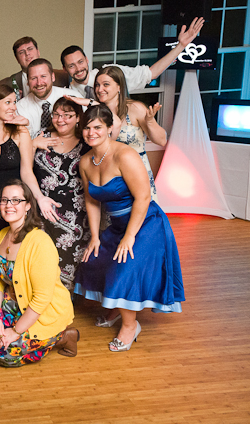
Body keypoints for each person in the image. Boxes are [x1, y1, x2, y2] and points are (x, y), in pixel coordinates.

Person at [75, 105, 185, 352]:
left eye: (97, 127)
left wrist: (130, 237)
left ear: (109, 128)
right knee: (94, 260)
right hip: (116, 224)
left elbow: (144, 197)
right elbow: (92, 200)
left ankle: (130, 325)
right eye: (87, 128)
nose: (91, 132)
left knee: (125, 268)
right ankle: (117, 308)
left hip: (146, 223)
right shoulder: (85, 162)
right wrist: (95, 236)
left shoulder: (125, 155)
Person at [0, 180, 78, 367]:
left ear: (28, 206)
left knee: (6, 357)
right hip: (14, 305)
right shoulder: (1, 236)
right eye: (5, 200)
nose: (9, 205)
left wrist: (14, 332)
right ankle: (9, 341)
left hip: (42, 312)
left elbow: (41, 298)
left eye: (16, 200)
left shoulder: (40, 242)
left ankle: (62, 336)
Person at [0, 84, 53, 273]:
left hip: (15, 202)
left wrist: (40, 197)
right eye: (7, 102)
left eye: (14, 102)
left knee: (19, 250)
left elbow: (27, 172)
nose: (13, 107)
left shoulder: (20, 132)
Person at [66, 66, 165, 201]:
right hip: (109, 176)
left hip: (136, 174)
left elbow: (161, 140)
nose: (100, 89)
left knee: (142, 214)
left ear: (119, 87)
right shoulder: (95, 113)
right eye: (97, 85)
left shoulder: (135, 108)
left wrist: (150, 121)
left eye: (106, 85)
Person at [60, 17, 204, 99]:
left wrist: (180, 46)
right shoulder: (68, 95)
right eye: (71, 65)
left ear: (87, 60)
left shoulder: (110, 73)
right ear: (64, 69)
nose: (79, 68)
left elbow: (151, 73)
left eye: (80, 62)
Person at [32, 97, 91, 291]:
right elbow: (22, 166)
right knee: (41, 258)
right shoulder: (41, 136)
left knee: (68, 258)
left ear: (77, 118)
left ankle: (63, 303)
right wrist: (33, 144)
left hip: (75, 213)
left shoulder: (87, 141)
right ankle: (41, 300)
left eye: (68, 115)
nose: (61, 119)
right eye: (56, 114)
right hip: (41, 209)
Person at [15, 58, 81, 137]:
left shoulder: (73, 97)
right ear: (27, 82)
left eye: (43, 76)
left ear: (52, 77)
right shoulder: (20, 108)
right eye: (33, 78)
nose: (39, 83)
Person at [0, 37, 69, 100]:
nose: (27, 54)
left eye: (30, 49)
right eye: (21, 52)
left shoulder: (62, 76)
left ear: (38, 52)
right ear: (17, 59)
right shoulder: (10, 82)